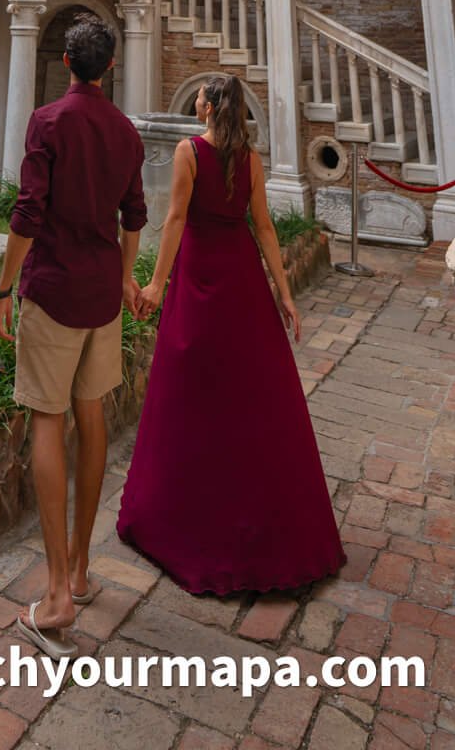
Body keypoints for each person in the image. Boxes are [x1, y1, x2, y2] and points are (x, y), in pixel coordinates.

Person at [117, 72, 344, 596]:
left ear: (209, 106)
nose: (195, 99)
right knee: (250, 397)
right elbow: (263, 226)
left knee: (190, 393)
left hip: (200, 277)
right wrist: (283, 293)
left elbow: (174, 219)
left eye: (200, 94)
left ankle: (185, 520)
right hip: (240, 277)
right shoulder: (251, 160)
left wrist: (155, 284)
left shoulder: (190, 152)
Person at [0, 14, 146, 656]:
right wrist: (126, 276)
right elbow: (133, 216)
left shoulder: (49, 122)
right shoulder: (125, 132)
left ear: (65, 61)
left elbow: (28, 212)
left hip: (54, 291)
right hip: (102, 295)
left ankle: (55, 594)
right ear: (110, 67)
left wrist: (4, 286)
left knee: (47, 422)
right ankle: (81, 570)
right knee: (92, 419)